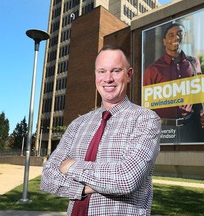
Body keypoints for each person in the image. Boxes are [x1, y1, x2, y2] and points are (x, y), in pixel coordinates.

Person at [40, 45, 161, 215]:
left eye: (116, 71)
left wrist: (71, 166)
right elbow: (47, 178)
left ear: (129, 75)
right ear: (95, 75)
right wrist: (89, 187)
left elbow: (126, 179)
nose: (108, 78)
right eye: (101, 71)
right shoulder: (77, 124)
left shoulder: (146, 119)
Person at [143, 22, 204, 143]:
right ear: (164, 41)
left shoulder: (194, 62)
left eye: (179, 33)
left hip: (190, 128)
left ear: (184, 36)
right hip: (163, 130)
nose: (175, 37)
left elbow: (200, 96)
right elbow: (145, 106)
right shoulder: (152, 69)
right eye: (170, 35)